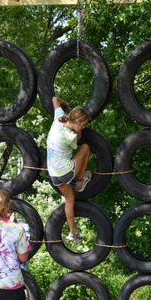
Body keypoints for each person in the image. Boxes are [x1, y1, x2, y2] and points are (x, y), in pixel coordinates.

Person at [47, 96, 91, 241]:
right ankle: (79, 181)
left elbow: (55, 99)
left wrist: (66, 106)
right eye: (83, 125)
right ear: (77, 122)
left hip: (53, 174)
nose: (83, 128)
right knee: (85, 148)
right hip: (65, 171)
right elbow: (78, 139)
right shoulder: (70, 136)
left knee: (69, 198)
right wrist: (79, 132)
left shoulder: (58, 117)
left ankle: (73, 232)